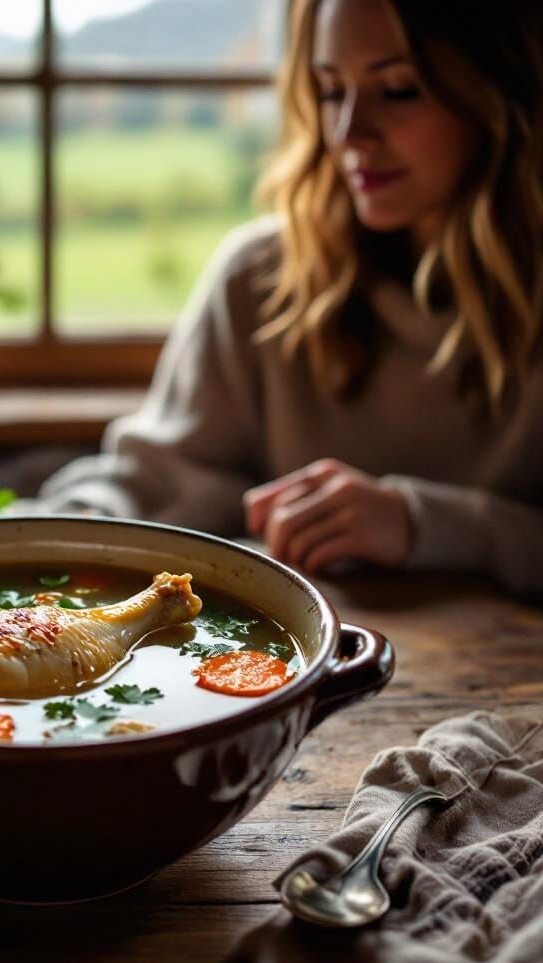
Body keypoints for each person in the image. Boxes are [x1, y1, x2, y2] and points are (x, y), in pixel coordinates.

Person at [38, 0, 543, 596]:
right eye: (330, 91)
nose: (348, 132)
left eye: (399, 90)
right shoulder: (261, 278)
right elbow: (158, 479)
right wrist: (70, 528)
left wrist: (427, 524)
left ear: (502, 97)